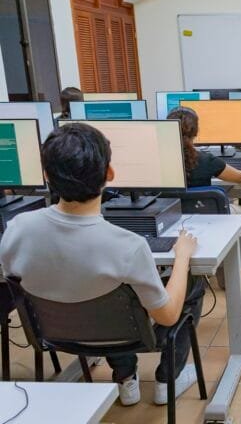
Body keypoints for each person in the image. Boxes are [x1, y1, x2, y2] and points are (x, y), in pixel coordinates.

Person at [0, 123, 200, 407]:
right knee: (193, 285)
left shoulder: (16, 229)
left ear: (46, 175)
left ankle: (125, 378)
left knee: (103, 296)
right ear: (109, 173)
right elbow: (167, 317)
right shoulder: (128, 246)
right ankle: (168, 379)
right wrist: (182, 257)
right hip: (127, 335)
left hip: (55, 334)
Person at [166, 106, 241, 188]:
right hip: (201, 208)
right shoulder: (205, 160)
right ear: (196, 131)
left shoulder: (159, 160)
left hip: (168, 209)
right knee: (240, 209)